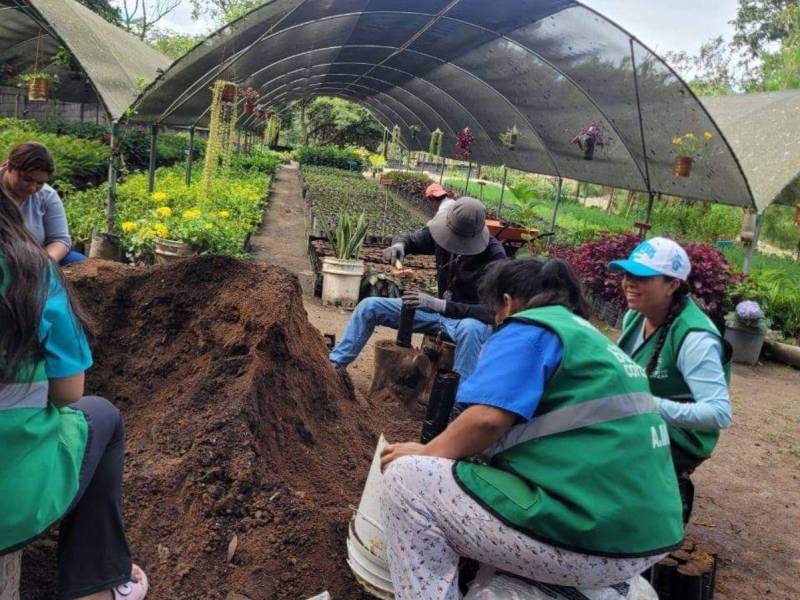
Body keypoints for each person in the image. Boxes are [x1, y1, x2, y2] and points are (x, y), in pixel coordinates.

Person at [380, 258, 684, 600]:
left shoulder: (530, 327)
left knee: (407, 480)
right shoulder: (592, 341)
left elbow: (486, 420)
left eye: (496, 312)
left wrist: (426, 453)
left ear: (507, 303)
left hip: (591, 537)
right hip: (642, 539)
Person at [0, 188, 147, 599]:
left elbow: (62, 239)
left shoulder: (46, 203)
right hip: (10, 508)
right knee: (101, 416)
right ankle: (96, 584)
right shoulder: (28, 272)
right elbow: (68, 393)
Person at [609, 237, 732, 523]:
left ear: (672, 284)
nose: (629, 282)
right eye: (627, 274)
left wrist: (648, 405)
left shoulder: (695, 338)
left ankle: (664, 504)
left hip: (680, 436)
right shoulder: (635, 318)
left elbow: (719, 413)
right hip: (640, 417)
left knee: (604, 453)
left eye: (642, 276)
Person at [329, 197, 506, 382]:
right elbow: (412, 240)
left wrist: (442, 305)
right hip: (436, 316)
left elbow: (492, 312)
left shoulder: (495, 257)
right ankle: (334, 365)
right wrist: (400, 245)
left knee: (471, 330)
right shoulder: (441, 233)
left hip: (465, 322)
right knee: (369, 306)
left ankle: (457, 401)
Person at [0, 141, 86, 267]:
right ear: (10, 167)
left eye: (40, 183)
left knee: (76, 261)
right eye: (27, 179)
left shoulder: (46, 195)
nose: (32, 188)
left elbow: (60, 239)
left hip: (33, 260)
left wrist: (44, 264)